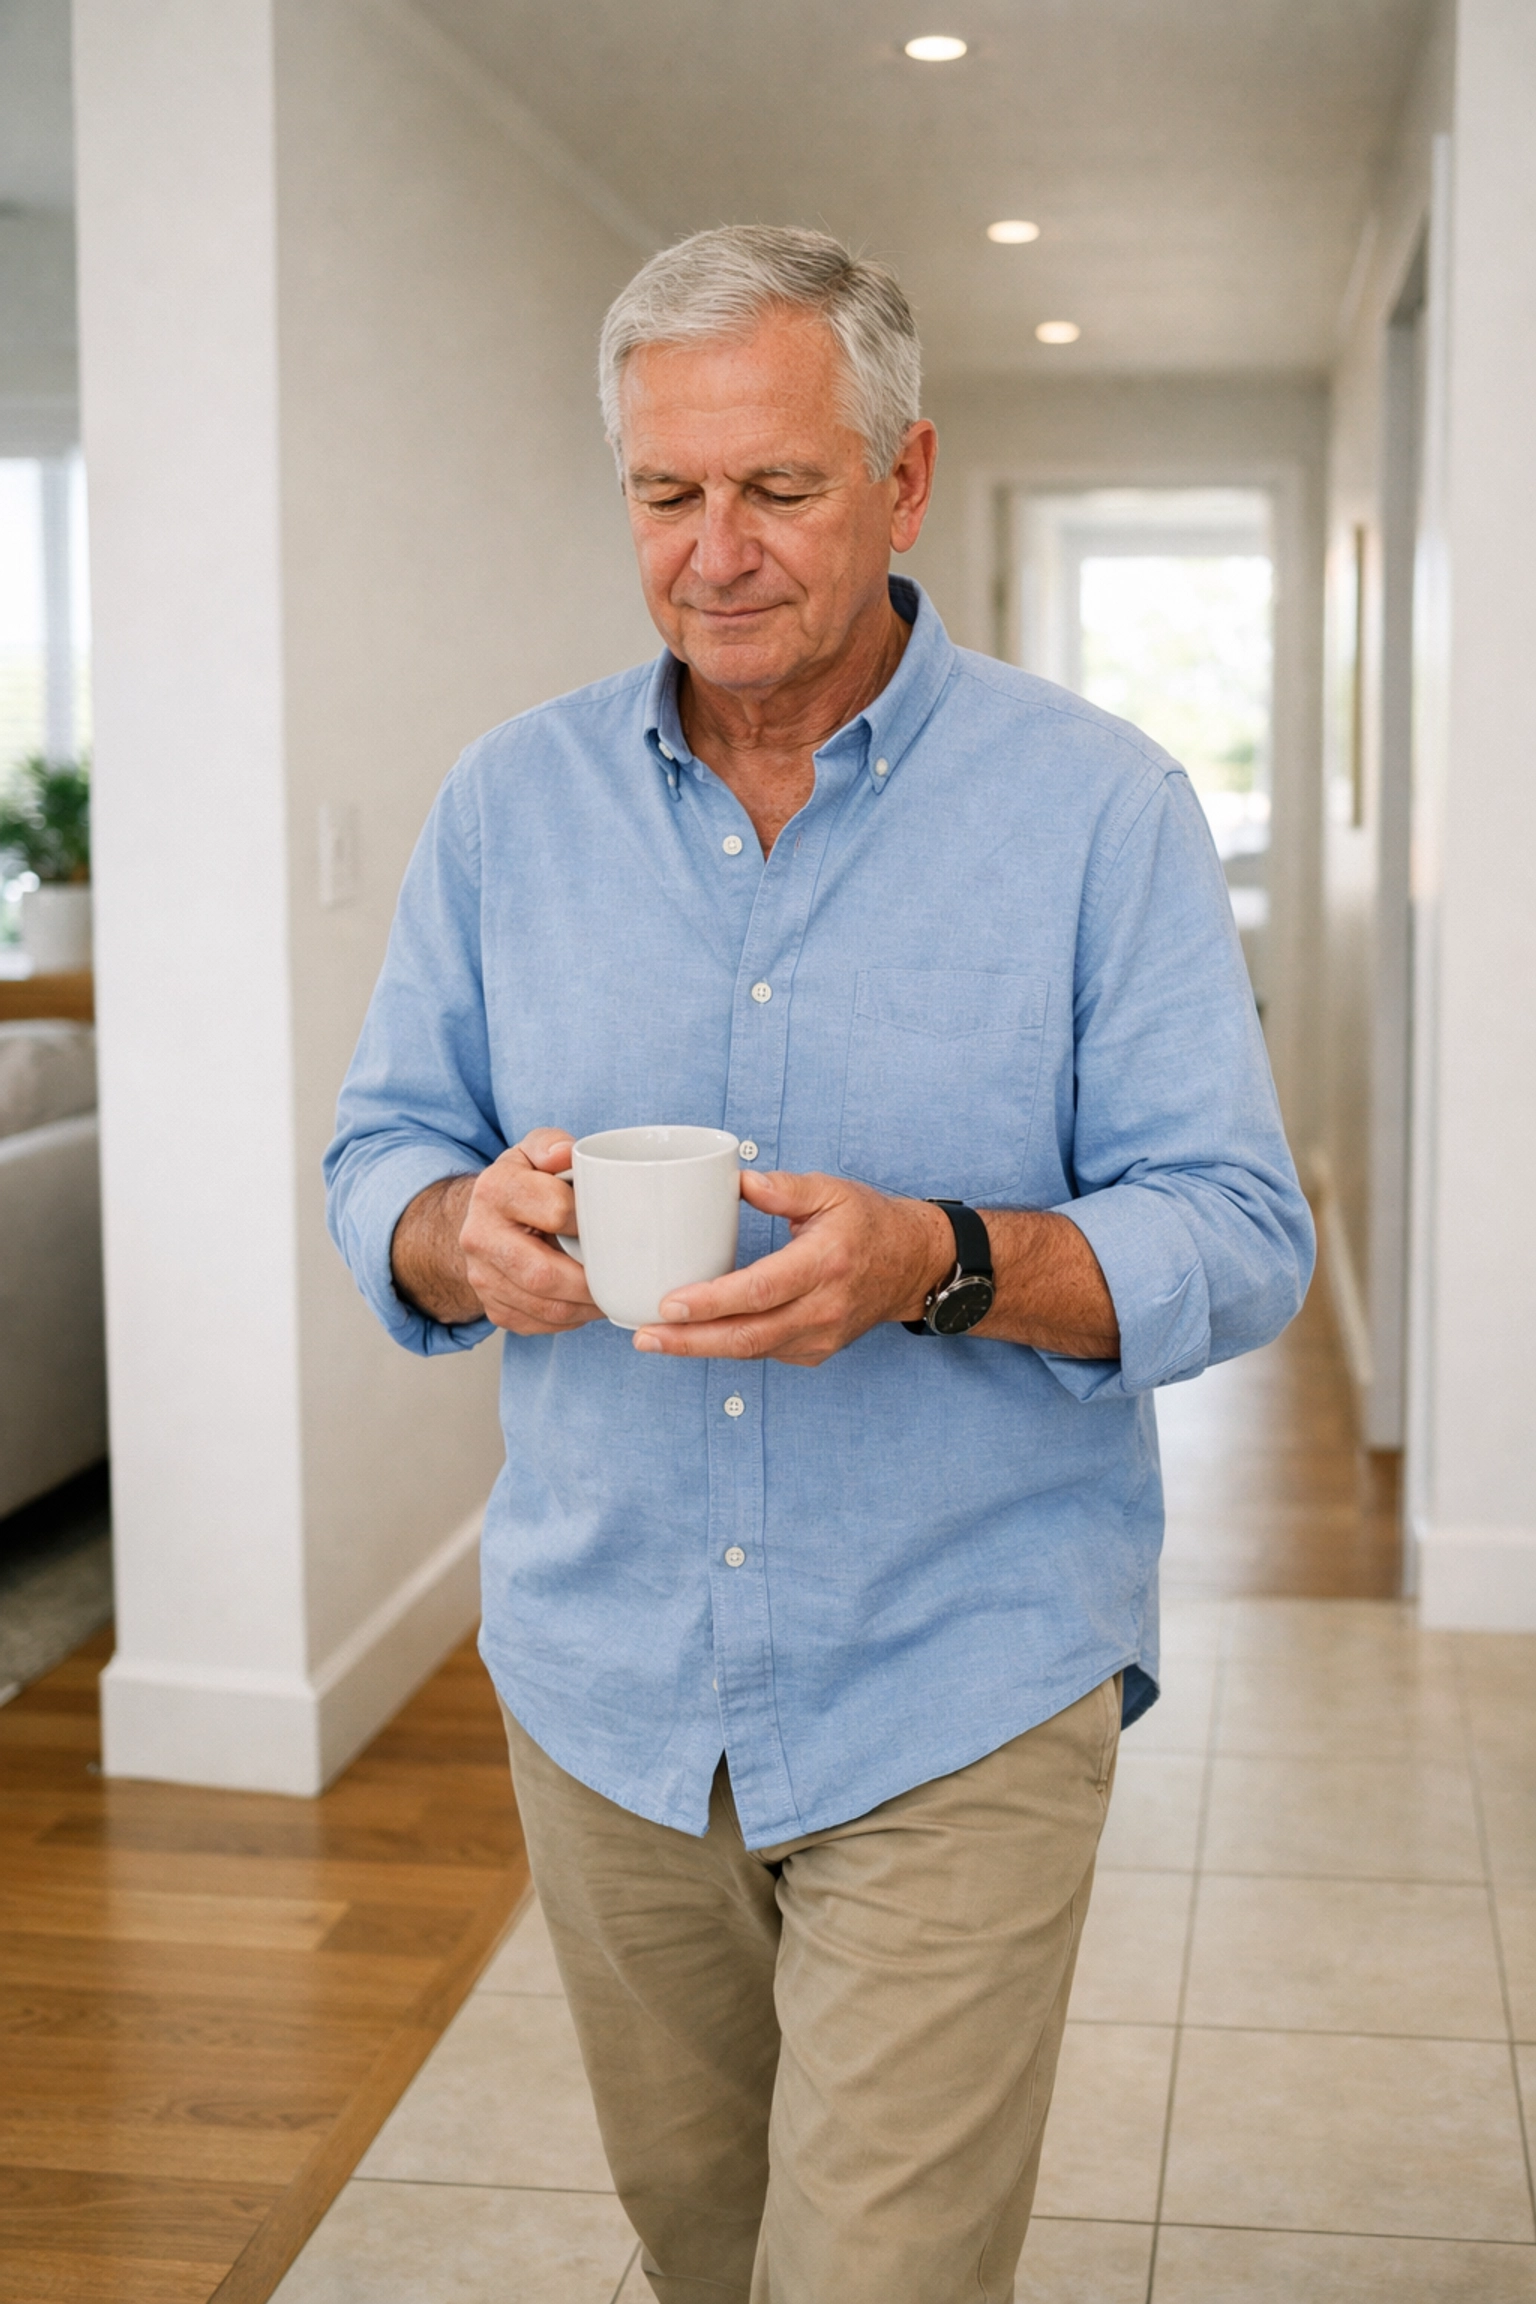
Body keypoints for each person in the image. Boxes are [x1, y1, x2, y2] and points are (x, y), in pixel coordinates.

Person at [325, 226, 1313, 2303]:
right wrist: (450, 1226)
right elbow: (381, 1156)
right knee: (708, 2251)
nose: (717, 553)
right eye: (667, 494)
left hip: (955, 1681)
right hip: (604, 1700)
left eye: (777, 488)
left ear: (904, 478)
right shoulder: (508, 809)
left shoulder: (1097, 812)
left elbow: (1238, 1235)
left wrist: (935, 1261)